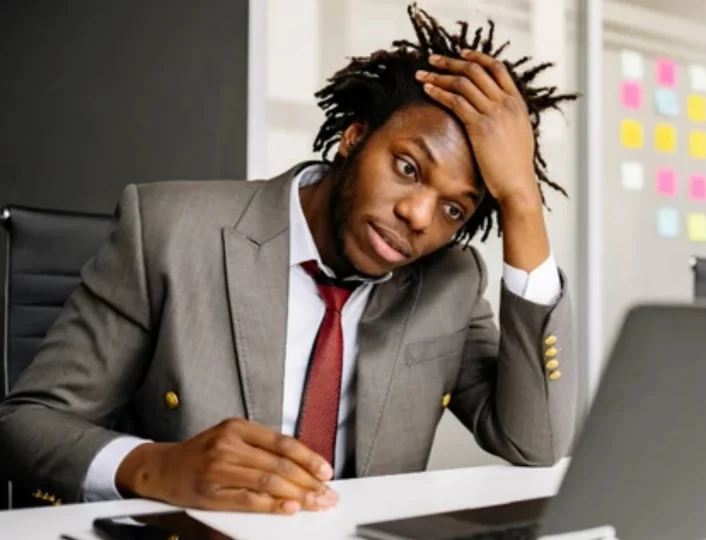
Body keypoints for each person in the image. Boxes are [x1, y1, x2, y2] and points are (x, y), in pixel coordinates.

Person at [0, 6, 579, 514]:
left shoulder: (449, 281)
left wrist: (523, 203)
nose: (421, 217)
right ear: (354, 136)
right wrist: (158, 467)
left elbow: (537, 442)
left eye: (455, 209)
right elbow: (25, 426)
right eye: (407, 168)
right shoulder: (171, 231)